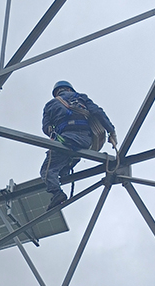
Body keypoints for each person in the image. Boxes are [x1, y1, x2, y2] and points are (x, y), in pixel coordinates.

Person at [40, 80, 117, 209]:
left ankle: (57, 193)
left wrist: (55, 133)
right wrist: (111, 131)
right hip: (86, 141)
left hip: (67, 140)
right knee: (67, 160)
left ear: (56, 93)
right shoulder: (81, 98)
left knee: (47, 170)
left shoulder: (50, 105)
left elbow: (46, 128)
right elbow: (98, 112)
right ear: (70, 89)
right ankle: (65, 171)